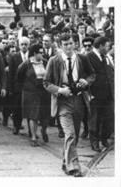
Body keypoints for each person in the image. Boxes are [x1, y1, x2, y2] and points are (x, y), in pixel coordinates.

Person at [44, 33, 95, 177]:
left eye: (71, 44)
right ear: (60, 46)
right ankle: (75, 167)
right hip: (62, 102)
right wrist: (60, 90)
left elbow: (92, 74)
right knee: (70, 134)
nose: (68, 47)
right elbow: (46, 83)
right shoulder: (54, 61)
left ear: (75, 44)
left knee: (75, 135)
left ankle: (66, 162)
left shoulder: (82, 58)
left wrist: (86, 81)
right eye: (65, 44)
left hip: (79, 100)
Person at [16, 43, 50, 146]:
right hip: (31, 93)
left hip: (44, 92)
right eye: (40, 53)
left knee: (45, 115)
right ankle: (33, 137)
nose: (42, 55)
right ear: (35, 53)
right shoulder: (25, 65)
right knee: (32, 115)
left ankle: (44, 130)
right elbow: (19, 77)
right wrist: (26, 87)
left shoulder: (45, 62)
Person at [86, 36, 114, 152]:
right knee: (95, 119)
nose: (109, 48)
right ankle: (94, 141)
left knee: (109, 118)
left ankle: (104, 138)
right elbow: (86, 76)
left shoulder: (107, 57)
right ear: (101, 46)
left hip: (108, 94)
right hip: (95, 95)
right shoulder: (89, 57)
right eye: (107, 46)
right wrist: (88, 93)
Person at [7, 36, 30, 135]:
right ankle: (16, 126)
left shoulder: (32, 56)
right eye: (22, 44)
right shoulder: (14, 56)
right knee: (17, 108)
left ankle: (31, 130)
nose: (24, 46)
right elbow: (11, 73)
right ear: (18, 45)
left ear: (28, 45)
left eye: (26, 44)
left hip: (29, 87)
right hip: (17, 87)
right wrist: (10, 88)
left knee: (30, 109)